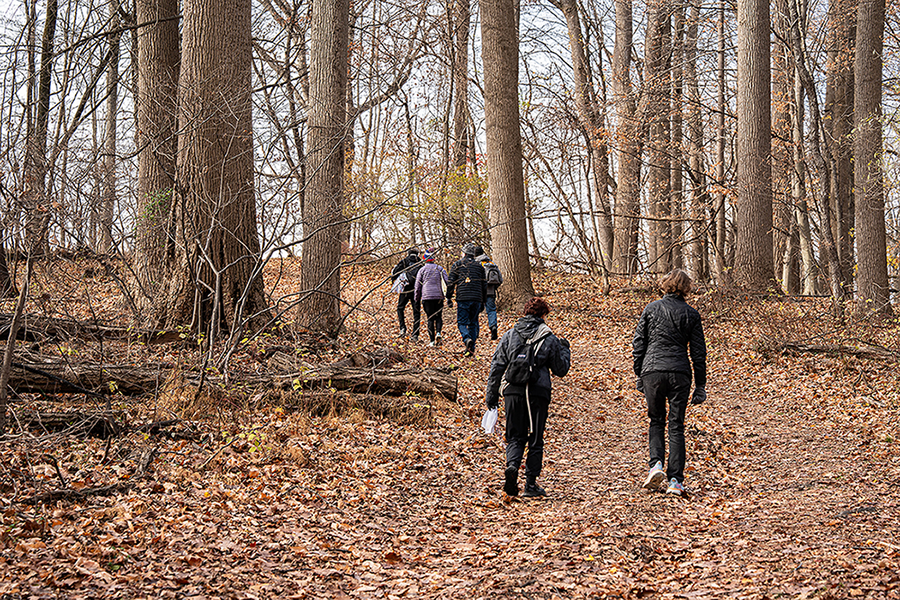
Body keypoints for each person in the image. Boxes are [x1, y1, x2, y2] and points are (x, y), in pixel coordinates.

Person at [485, 297, 571, 498]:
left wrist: (491, 395)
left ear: (525, 313)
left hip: (512, 392)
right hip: (537, 393)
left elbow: (497, 366)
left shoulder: (510, 335)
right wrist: (565, 349)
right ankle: (530, 484)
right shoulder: (548, 337)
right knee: (535, 437)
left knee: (515, 436)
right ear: (543, 315)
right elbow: (561, 369)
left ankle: (512, 467)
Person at [632, 269, 707, 496]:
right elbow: (698, 353)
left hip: (653, 371)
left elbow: (638, 343)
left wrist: (639, 373)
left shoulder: (651, 309)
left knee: (656, 421)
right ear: (686, 288)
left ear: (665, 285)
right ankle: (675, 481)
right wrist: (700, 385)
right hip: (679, 373)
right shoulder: (691, 314)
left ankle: (655, 465)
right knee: (676, 425)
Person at [446, 243, 487, 356]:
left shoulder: (458, 265)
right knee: (473, 323)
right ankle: (471, 349)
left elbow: (451, 282)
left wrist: (448, 297)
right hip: (477, 298)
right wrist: (483, 301)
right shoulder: (479, 267)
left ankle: (466, 338)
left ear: (464, 253)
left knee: (462, 322)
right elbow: (484, 285)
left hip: (463, 297)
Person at [414, 248, 449, 346]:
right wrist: (448, 294)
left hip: (427, 297)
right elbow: (447, 281)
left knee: (430, 318)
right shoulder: (440, 269)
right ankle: (438, 333)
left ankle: (432, 341)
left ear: (425, 259)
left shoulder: (422, 270)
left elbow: (417, 286)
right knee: (439, 316)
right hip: (439, 296)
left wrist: (416, 298)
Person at [391, 248, 423, 341]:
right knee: (416, 312)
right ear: (418, 254)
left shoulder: (404, 261)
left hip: (405, 289)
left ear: (408, 253)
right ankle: (415, 334)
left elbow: (395, 273)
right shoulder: (420, 263)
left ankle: (402, 328)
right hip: (416, 290)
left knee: (400, 308)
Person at [475, 249, 503, 340]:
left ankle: (475, 332)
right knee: (491, 310)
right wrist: (494, 287)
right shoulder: (492, 263)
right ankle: (493, 327)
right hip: (490, 291)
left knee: (475, 311)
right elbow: (500, 279)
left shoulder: (476, 264)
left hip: (479, 292)